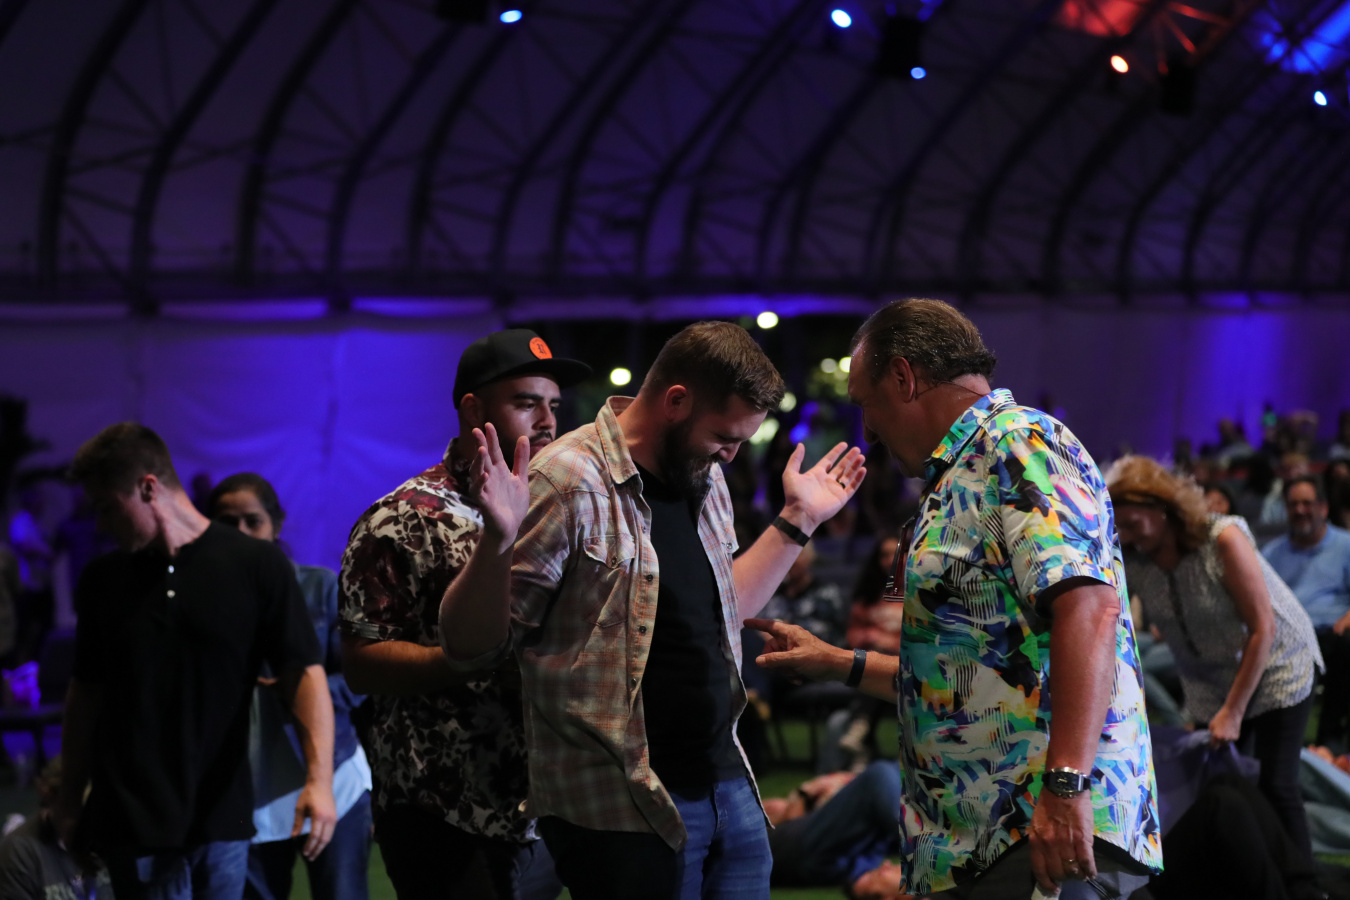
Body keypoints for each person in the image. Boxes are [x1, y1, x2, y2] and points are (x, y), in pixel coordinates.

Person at [748, 298, 1162, 899]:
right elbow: (968, 675)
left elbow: (1090, 608)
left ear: (903, 378)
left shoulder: (1020, 443)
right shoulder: (963, 470)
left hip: (1036, 825)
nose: (868, 429)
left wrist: (1066, 785)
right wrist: (837, 663)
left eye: (866, 403)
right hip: (979, 835)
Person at [439, 320, 865, 899]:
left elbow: (721, 609)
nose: (733, 454)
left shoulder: (703, 474)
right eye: (724, 435)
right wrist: (495, 540)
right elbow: (472, 647)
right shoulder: (564, 479)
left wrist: (799, 520)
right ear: (676, 401)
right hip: (622, 803)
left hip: (725, 778)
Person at [339, 328, 589, 900]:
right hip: (442, 805)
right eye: (526, 403)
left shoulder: (561, 508)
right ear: (474, 410)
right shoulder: (403, 517)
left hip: (543, 802)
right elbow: (362, 662)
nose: (547, 421)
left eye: (553, 406)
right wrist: (466, 661)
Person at [55, 422, 336, 900]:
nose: (100, 525)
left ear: (148, 488)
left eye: (106, 507)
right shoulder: (103, 579)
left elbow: (303, 673)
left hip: (223, 820)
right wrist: (68, 798)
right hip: (131, 823)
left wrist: (320, 780)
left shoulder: (256, 565)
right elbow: (86, 694)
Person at [1107, 455, 1322, 862]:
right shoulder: (1136, 559)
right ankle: (1257, 875)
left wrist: (1234, 713)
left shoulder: (1221, 539)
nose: (1127, 536)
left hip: (1277, 666)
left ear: (1163, 508)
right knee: (1224, 785)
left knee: (1276, 783)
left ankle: (1304, 885)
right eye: (1121, 527)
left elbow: (1263, 628)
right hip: (1212, 680)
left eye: (1133, 523)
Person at [208, 473, 372, 900]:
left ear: (276, 524)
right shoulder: (203, 598)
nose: (241, 533)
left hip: (332, 776)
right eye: (227, 523)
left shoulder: (318, 587)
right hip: (248, 788)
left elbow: (361, 678)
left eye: (253, 521)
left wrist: (301, 693)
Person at [1263, 475, 1350, 748]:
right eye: (1293, 504)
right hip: (1284, 638)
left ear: (1323, 507)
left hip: (1331, 633)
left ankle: (1329, 739)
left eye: (1307, 503)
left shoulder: (1345, 545)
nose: (1300, 510)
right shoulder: (1271, 553)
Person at [763, 762, 904, 892]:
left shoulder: (826, 855)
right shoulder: (868, 855)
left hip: (802, 850)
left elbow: (878, 776)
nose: (889, 865)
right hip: (802, 848)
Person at [0, 758, 115, 900]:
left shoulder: (110, 838)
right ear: (48, 795)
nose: (89, 821)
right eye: (80, 809)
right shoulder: (20, 851)